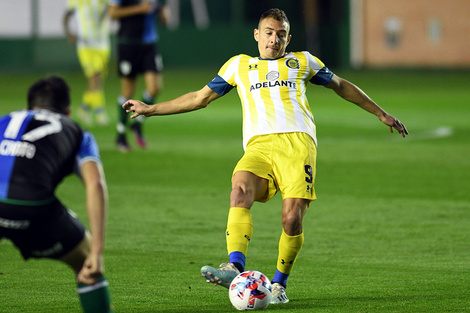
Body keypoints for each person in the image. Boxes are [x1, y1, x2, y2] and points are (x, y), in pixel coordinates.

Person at [122, 8, 408, 304]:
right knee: (239, 189)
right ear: (257, 35)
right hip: (258, 147)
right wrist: (150, 109)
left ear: (288, 38)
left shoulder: (303, 61)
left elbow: (341, 85)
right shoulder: (238, 66)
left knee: (291, 219)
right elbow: (199, 98)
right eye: (269, 33)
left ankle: (279, 285)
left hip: (298, 145)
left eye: (281, 34)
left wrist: (381, 113)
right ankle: (234, 266)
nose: (274, 40)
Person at [0, 76, 114, 312]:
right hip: (33, 206)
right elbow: (95, 184)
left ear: (26, 108)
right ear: (68, 112)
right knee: (85, 263)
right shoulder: (78, 132)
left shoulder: (4, 120)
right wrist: (97, 252)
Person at [108, 0, 169, 152]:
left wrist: (163, 14)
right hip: (128, 43)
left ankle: (137, 124)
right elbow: (113, 13)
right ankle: (121, 134)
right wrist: (139, 9)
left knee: (155, 88)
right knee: (128, 91)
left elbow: (161, 13)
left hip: (149, 44)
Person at [63, 0, 111, 126]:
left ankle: (84, 109)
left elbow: (112, 10)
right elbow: (66, 16)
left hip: (103, 44)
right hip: (85, 44)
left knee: (99, 79)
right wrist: (69, 33)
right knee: (94, 77)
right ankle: (100, 112)